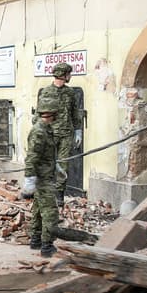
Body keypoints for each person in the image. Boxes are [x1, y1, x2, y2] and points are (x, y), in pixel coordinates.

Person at [35, 62, 82, 204]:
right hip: (51, 134)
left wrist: (78, 130)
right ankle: (44, 193)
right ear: (63, 75)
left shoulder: (70, 93)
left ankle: (59, 195)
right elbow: (40, 114)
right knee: (47, 163)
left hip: (66, 134)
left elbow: (75, 113)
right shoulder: (46, 92)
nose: (70, 76)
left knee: (63, 165)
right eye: (69, 74)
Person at [24, 106, 61, 257]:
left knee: (38, 210)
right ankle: (47, 246)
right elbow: (32, 157)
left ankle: (36, 240)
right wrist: (29, 180)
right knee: (50, 212)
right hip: (42, 178)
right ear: (51, 113)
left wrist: (56, 166)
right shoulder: (39, 131)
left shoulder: (46, 129)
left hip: (45, 174)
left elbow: (46, 154)